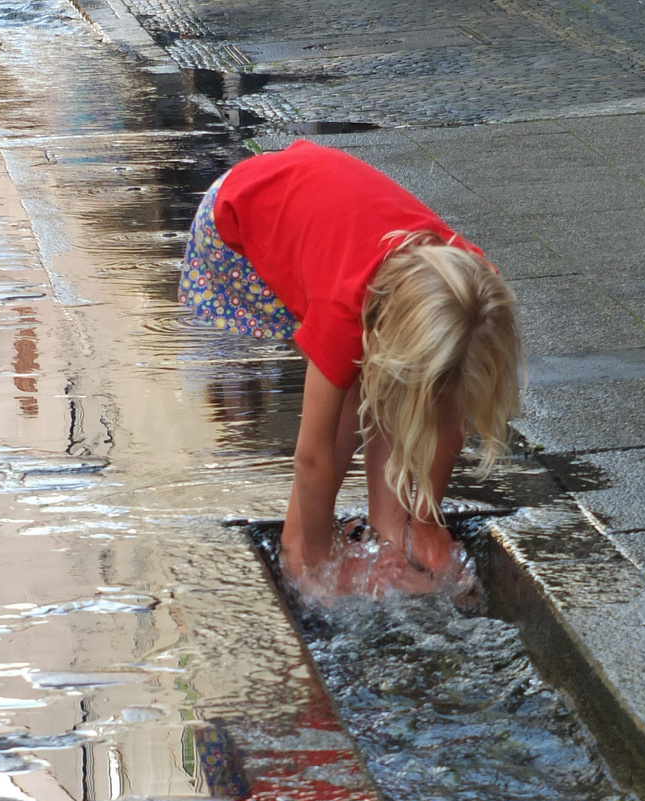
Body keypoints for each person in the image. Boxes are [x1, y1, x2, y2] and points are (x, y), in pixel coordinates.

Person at [179, 140, 522, 596]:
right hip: (235, 218)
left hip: (323, 213)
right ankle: (298, 548)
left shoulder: (472, 285)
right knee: (347, 395)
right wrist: (324, 563)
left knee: (409, 384)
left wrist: (428, 521)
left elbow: (449, 412)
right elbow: (312, 454)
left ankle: (394, 530)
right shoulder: (342, 308)